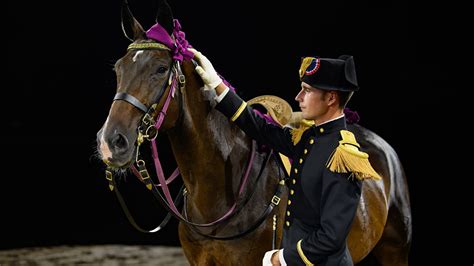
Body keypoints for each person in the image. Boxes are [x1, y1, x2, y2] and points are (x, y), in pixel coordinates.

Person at [190, 48, 381, 266]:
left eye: (307, 90)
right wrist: (218, 85)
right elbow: (262, 129)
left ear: (330, 98)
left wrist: (281, 258)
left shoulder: (342, 155)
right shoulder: (310, 137)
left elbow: (331, 237)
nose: (298, 97)